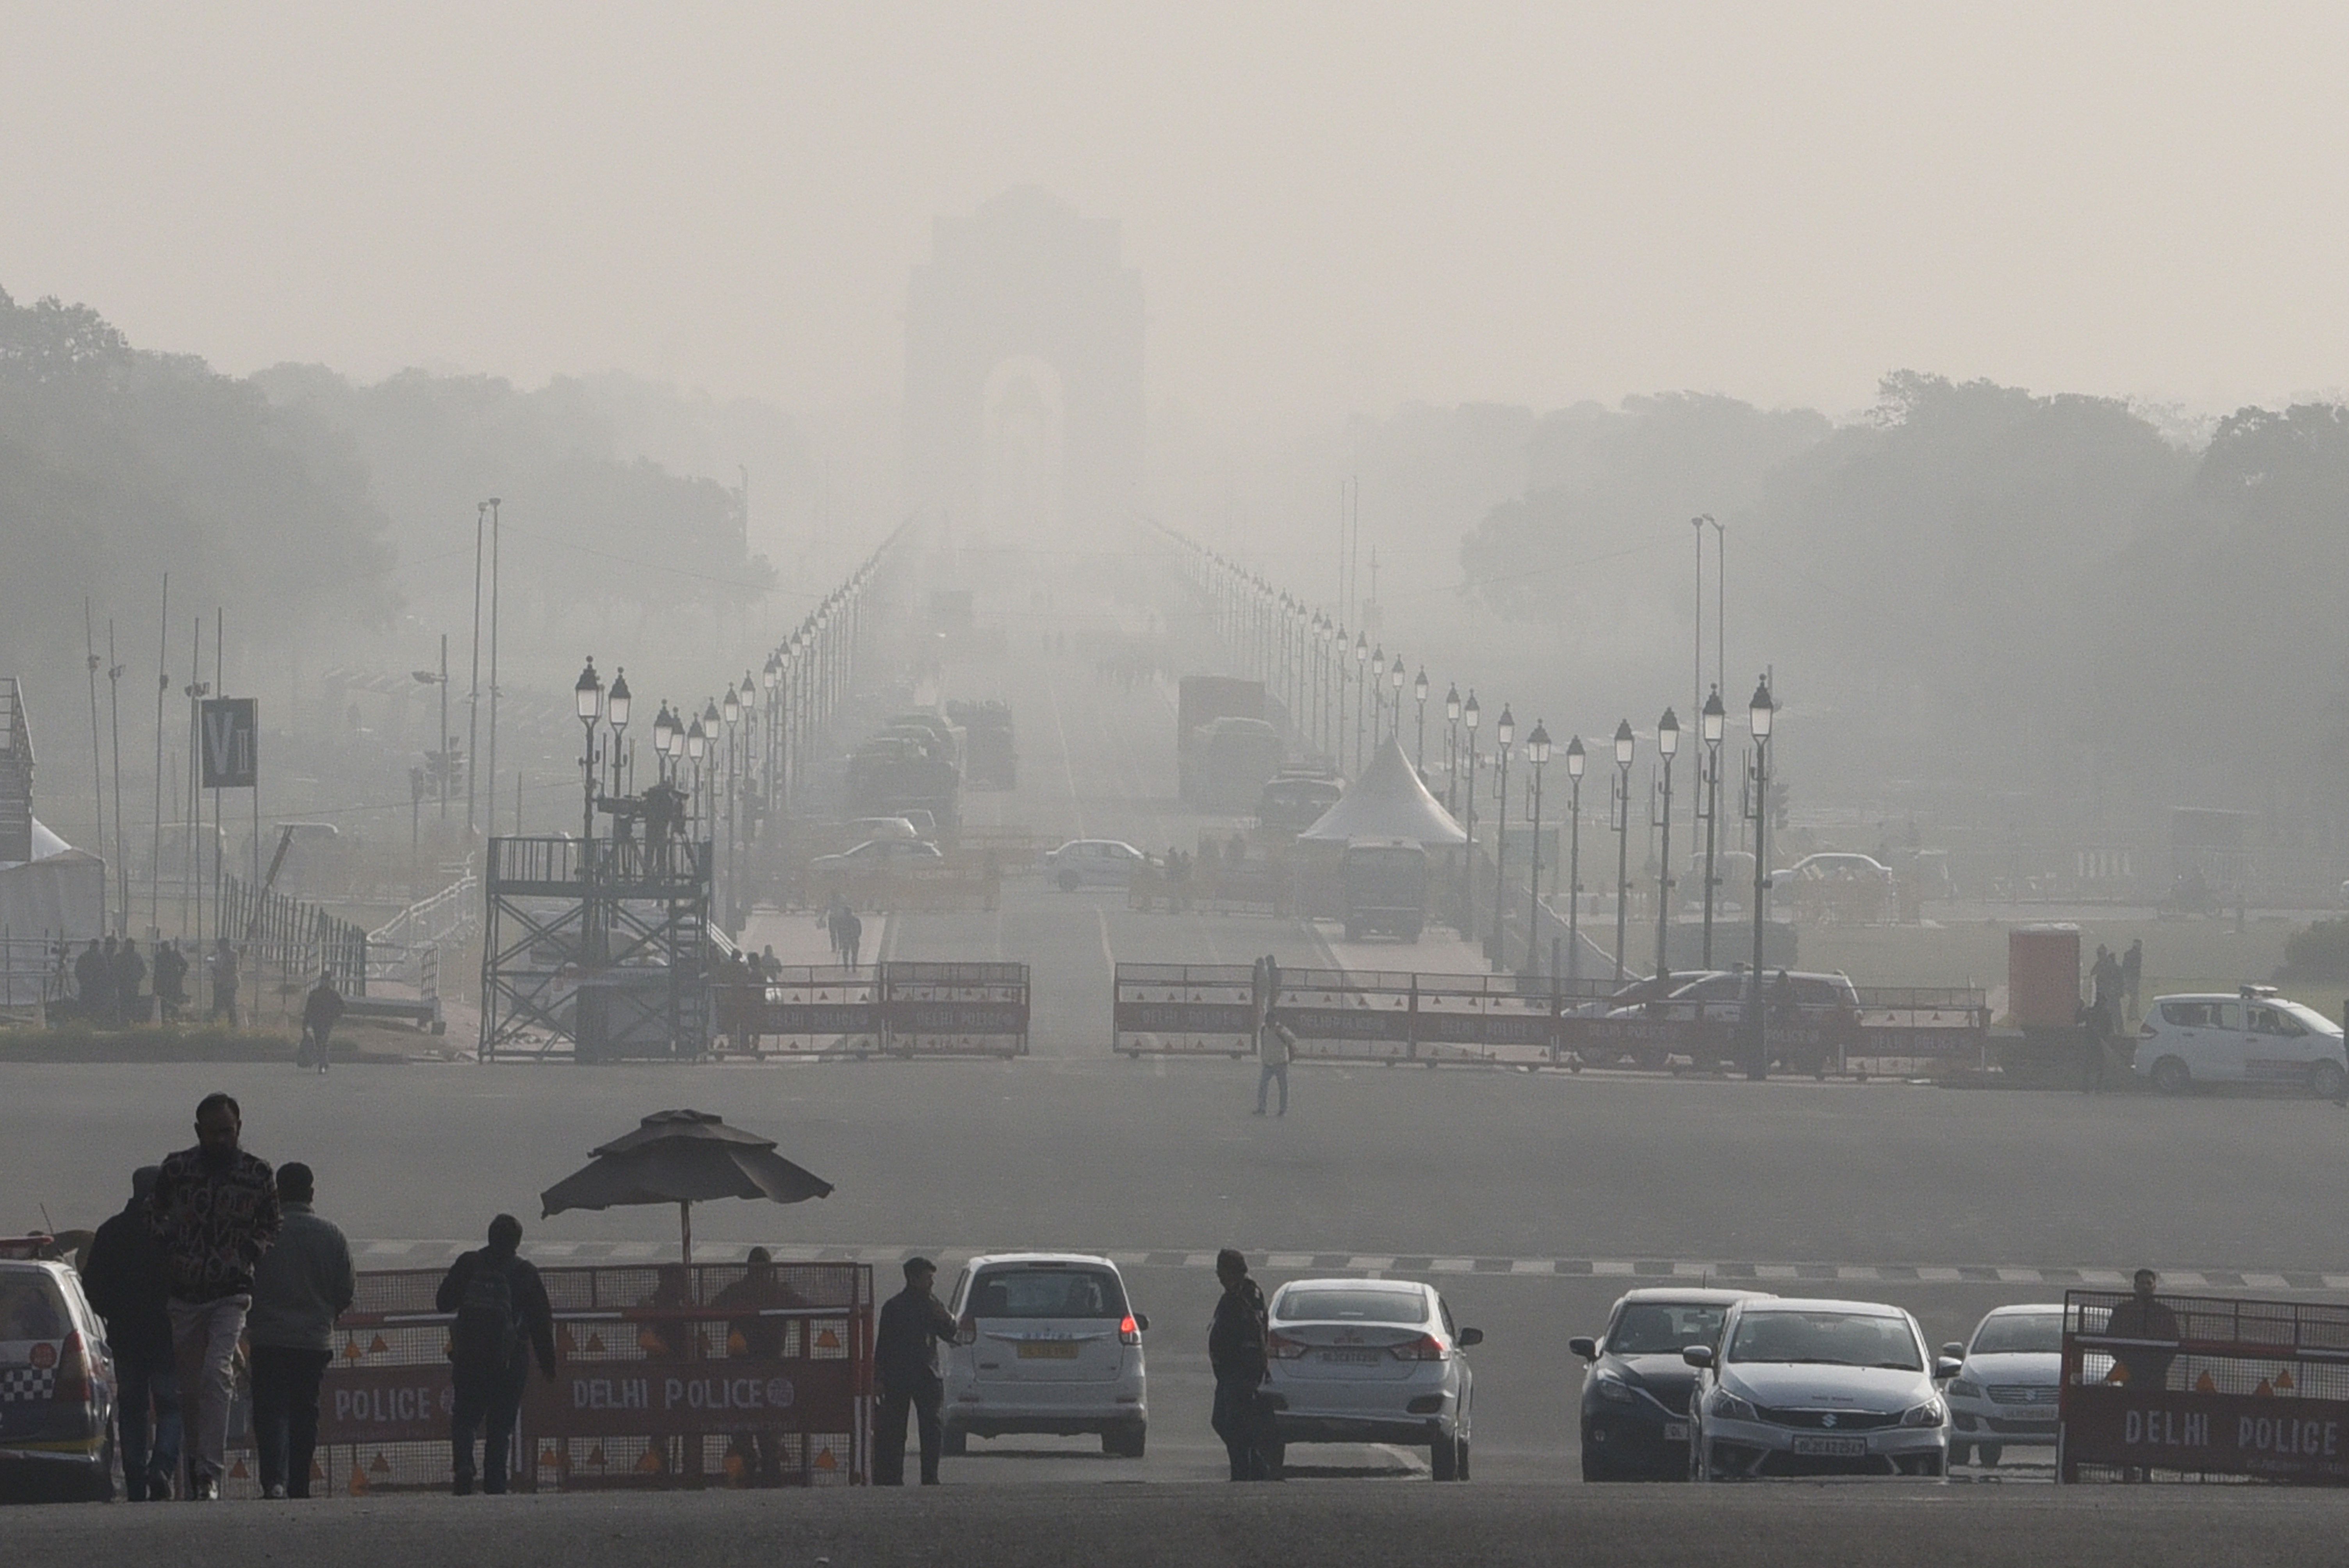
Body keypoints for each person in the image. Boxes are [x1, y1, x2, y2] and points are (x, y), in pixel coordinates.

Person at [148, 1092, 281, 1500]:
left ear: (239, 1128)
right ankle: (194, 1464)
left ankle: (210, 1472)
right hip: (186, 1295)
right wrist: (172, 1236)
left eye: (228, 1131)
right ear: (198, 1132)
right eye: (213, 1132)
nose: (221, 1139)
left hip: (231, 1292)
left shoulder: (258, 1173)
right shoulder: (176, 1168)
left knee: (216, 1373)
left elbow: (271, 1223)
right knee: (188, 1391)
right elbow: (152, 1215)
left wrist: (246, 1254)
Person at [246, 1162, 354, 1499]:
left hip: (268, 1338)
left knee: (270, 1410)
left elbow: (244, 1280)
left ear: (277, 1193)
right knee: (305, 1410)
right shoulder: (332, 1234)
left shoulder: (262, 1232)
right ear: (311, 1193)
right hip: (313, 1340)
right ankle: (300, 1484)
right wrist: (325, 1317)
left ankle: (273, 1480)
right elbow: (345, 1289)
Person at [435, 1214, 558, 1495]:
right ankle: (495, 1483)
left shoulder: (470, 1263)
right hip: (509, 1361)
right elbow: (541, 1323)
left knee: (465, 1417)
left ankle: (464, 1465)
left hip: (468, 1359)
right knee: (501, 1426)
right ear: (517, 1242)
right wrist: (548, 1363)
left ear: (489, 1237)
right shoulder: (526, 1272)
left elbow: (443, 1303)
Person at [82, 1166, 181, 1500]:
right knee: (171, 1406)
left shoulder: (111, 1232)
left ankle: (136, 1479)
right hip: (169, 1333)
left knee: (133, 1407)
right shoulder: (174, 1232)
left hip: (126, 1336)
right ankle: (163, 1467)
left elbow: (92, 1286)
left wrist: (113, 1313)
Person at [711, 1248, 800, 1484]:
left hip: (739, 1371)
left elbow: (713, 1307)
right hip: (772, 1369)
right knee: (770, 1433)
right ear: (769, 1269)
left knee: (741, 1431)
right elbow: (804, 1306)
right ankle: (772, 1478)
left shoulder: (736, 1291)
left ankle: (745, 1479)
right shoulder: (779, 1292)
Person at [872, 1256, 955, 1486]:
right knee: (895, 1431)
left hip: (927, 1376)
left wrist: (946, 1319)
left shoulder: (932, 1304)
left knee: (931, 1429)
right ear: (913, 1279)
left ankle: (930, 1477)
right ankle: (892, 1478)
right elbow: (883, 1345)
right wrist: (878, 1377)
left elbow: (950, 1334)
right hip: (899, 1377)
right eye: (927, 1278)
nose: (931, 1283)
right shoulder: (894, 1307)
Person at [1208, 1248, 1271, 1481]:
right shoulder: (1233, 1295)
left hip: (1241, 1371)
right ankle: (1251, 1466)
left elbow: (1252, 1334)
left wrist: (1247, 1371)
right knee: (1223, 1421)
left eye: (1222, 1270)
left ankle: (1248, 1470)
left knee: (1232, 1421)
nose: (1219, 1276)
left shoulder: (1247, 1294)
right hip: (1228, 1371)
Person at [299, 971, 345, 1072]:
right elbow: (309, 1009)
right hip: (319, 1022)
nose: (325, 983)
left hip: (325, 1022)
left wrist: (334, 1016)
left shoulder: (329, 994)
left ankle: (323, 1063)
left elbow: (342, 1008)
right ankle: (323, 1062)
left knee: (322, 1042)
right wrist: (306, 1023)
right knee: (321, 1042)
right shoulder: (320, 994)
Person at [1255, 1017, 1294, 1118]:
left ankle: (1283, 1110)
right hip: (1268, 1063)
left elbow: (1292, 1039)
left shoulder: (1281, 1029)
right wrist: (1263, 1058)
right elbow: (1263, 1045)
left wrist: (1282, 1034)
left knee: (1283, 1087)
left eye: (1270, 1022)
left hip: (1280, 1063)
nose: (1268, 1025)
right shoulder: (1264, 1030)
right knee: (1262, 1086)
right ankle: (1262, 1108)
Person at [114, 937, 148, 1026]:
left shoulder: (137, 957)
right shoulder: (120, 957)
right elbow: (115, 971)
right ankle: (124, 1023)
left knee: (132, 1005)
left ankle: (132, 1022)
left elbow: (144, 970)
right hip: (123, 986)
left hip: (133, 986)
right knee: (123, 1005)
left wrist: (137, 978)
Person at [153, 941, 189, 1025]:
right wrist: (155, 984)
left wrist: (180, 975)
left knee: (174, 1003)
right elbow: (157, 971)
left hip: (174, 983)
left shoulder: (175, 955)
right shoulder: (159, 957)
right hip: (163, 983)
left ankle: (174, 1020)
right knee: (163, 1003)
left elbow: (185, 965)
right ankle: (164, 1021)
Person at [75, 938, 108, 1026]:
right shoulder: (99, 958)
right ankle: (93, 1023)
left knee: (90, 1007)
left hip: (93, 987)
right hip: (91, 987)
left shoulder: (97, 958)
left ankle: (88, 1022)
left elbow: (105, 972)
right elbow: (78, 971)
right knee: (91, 1007)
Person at [209, 938, 239, 1027]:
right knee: (217, 1003)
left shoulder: (233, 954)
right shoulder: (218, 955)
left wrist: (219, 970)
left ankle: (233, 1023)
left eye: (222, 945)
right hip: (219, 982)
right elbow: (207, 959)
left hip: (229, 983)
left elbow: (233, 968)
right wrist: (212, 954)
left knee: (230, 1003)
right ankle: (215, 1022)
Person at [2122, 939, 2144, 1023]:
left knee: (2134, 998)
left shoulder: (2131, 954)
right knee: (2134, 997)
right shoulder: (2134, 955)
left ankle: (2133, 1015)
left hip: (2133, 978)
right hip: (2131, 979)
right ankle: (2132, 1015)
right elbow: (2128, 967)